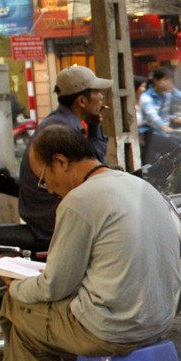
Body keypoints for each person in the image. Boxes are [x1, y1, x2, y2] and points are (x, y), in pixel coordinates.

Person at [0, 126, 181, 361]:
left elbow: (56, 285)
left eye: (44, 179)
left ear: (60, 162)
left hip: (111, 328)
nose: (49, 189)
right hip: (159, 319)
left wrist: (14, 285)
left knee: (16, 307)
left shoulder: (79, 201)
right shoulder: (140, 186)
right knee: (31, 307)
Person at [17, 65, 111, 244]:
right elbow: (95, 173)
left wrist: (94, 127)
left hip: (47, 211)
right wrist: (95, 129)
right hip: (49, 216)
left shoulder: (64, 122)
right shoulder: (61, 130)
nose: (101, 97)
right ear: (82, 101)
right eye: (96, 92)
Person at [138, 67, 181, 167]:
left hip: (165, 134)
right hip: (151, 133)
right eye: (164, 80)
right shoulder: (146, 97)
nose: (167, 83)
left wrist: (174, 90)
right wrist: (163, 126)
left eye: (169, 80)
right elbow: (152, 114)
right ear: (155, 80)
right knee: (179, 152)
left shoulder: (167, 95)